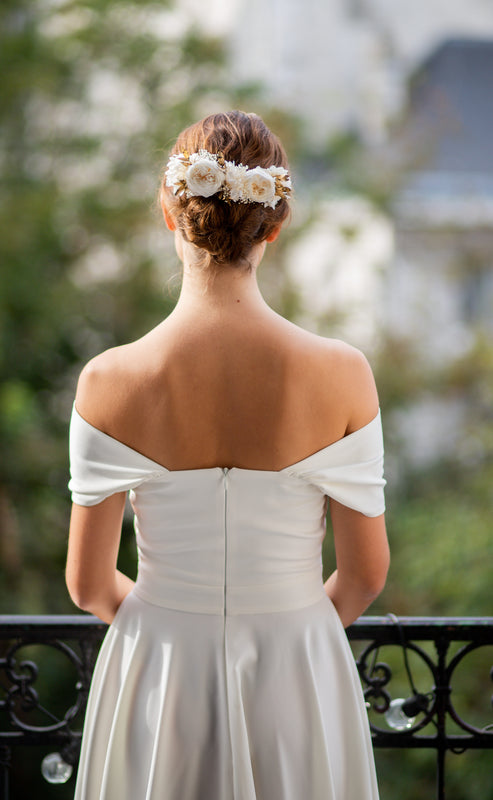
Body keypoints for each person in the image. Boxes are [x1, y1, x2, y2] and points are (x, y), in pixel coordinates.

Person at [66, 110, 390, 800]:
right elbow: (363, 575)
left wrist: (170, 628)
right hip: (297, 671)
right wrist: (287, 625)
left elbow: (90, 586)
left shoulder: (108, 380)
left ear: (168, 212)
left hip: (157, 673)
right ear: (274, 224)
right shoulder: (342, 373)